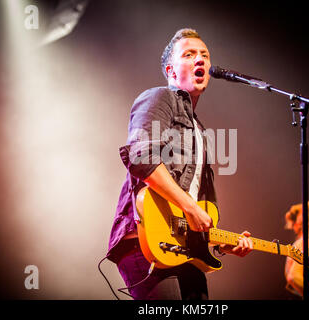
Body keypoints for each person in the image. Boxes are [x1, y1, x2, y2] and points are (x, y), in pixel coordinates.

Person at [105, 28, 253, 300]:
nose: (200, 60)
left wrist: (220, 243)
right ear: (171, 71)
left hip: (180, 247)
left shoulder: (199, 129)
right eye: (190, 54)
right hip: (144, 239)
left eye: (205, 56)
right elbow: (141, 158)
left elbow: (192, 209)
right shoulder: (159, 97)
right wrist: (190, 207)